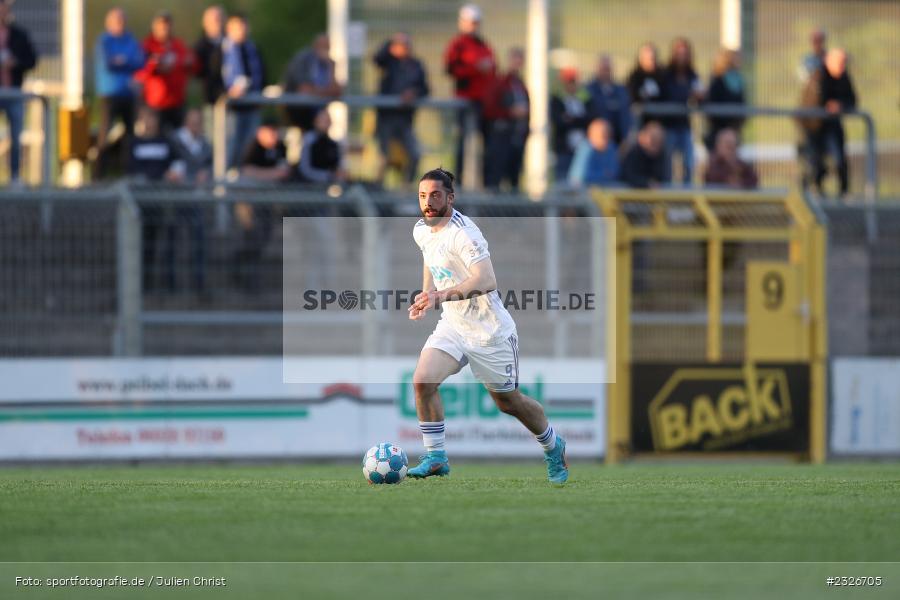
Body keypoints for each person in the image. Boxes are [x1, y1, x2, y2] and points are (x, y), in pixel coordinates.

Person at [406, 167, 569, 484]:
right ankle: (436, 456)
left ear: (450, 198)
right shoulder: (421, 229)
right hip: (453, 325)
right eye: (423, 196)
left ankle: (552, 445)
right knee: (422, 381)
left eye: (435, 195)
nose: (428, 202)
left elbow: (487, 279)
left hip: (489, 331)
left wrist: (440, 295)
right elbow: (429, 254)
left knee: (509, 402)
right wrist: (427, 293)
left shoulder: (464, 233)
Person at [127, 107, 180, 292]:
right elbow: (133, 170)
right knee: (142, 243)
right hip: (142, 200)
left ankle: (168, 284)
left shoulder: (166, 142)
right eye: (145, 118)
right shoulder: (134, 143)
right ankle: (143, 283)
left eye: (152, 118)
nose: (149, 122)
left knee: (165, 240)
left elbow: (175, 164)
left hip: (161, 200)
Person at [443, 4, 496, 183]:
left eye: (476, 22)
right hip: (465, 102)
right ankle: (456, 182)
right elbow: (451, 68)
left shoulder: (483, 44)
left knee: (486, 146)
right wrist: (475, 68)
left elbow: (493, 68)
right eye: (470, 22)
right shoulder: (458, 45)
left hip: (483, 103)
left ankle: (484, 183)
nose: (473, 26)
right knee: (463, 145)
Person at [93, 7, 144, 179]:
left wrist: (122, 61)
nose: (120, 24)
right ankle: (99, 177)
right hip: (110, 94)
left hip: (128, 94)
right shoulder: (104, 41)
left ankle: (128, 175)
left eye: (122, 20)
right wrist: (126, 62)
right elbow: (109, 64)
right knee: (105, 134)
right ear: (109, 23)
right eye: (116, 21)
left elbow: (139, 62)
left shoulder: (130, 40)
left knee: (130, 136)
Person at [373, 32, 429, 183]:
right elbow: (377, 58)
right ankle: (379, 191)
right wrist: (390, 41)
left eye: (406, 44)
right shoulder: (389, 63)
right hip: (386, 120)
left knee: (414, 155)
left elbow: (425, 88)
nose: (403, 48)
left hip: (405, 120)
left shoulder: (416, 65)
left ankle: (405, 190)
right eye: (399, 44)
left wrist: (414, 92)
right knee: (385, 157)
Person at [803, 48, 857, 198]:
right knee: (815, 161)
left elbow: (852, 99)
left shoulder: (843, 77)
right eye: (840, 63)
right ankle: (815, 192)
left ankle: (843, 192)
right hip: (814, 126)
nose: (842, 67)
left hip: (832, 125)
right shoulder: (818, 76)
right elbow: (811, 103)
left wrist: (840, 105)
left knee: (839, 159)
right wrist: (826, 106)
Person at [167, 109, 210, 293]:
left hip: (195, 197)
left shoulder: (206, 145)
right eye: (192, 122)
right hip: (175, 197)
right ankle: (170, 282)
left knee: (198, 240)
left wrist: (206, 175)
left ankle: (198, 282)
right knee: (172, 241)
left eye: (198, 122)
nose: (195, 126)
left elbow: (208, 168)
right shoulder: (173, 141)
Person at [134, 11, 195, 131]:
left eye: (167, 25)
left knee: (178, 138)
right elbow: (139, 73)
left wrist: (184, 63)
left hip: (177, 102)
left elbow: (191, 63)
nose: (164, 29)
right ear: (154, 27)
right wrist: (155, 65)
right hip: (156, 103)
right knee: (158, 137)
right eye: (161, 26)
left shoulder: (178, 45)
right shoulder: (147, 46)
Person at [221, 13, 265, 168]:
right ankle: (222, 183)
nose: (242, 30)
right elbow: (215, 79)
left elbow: (261, 74)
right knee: (228, 146)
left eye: (244, 26)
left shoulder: (253, 49)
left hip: (252, 106)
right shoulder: (222, 51)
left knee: (247, 147)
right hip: (229, 109)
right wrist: (227, 93)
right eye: (238, 26)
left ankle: (237, 178)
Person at [0, 0, 37, 185]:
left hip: (14, 92)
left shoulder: (19, 35)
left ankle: (15, 176)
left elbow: (31, 60)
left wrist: (15, 63)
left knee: (16, 136)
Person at [482, 47, 529, 192]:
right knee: (495, 177)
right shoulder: (500, 83)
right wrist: (510, 112)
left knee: (514, 178)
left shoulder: (520, 85)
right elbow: (489, 109)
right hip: (501, 138)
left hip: (516, 138)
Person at [661, 37, 703, 184]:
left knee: (688, 163)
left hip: (684, 125)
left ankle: (687, 195)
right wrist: (687, 94)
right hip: (668, 126)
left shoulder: (692, 75)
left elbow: (700, 96)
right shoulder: (666, 74)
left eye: (685, 53)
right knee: (667, 164)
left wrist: (699, 97)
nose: (682, 57)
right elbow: (669, 95)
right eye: (679, 53)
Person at [282, 34, 341, 130]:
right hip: (299, 111)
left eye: (327, 47)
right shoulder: (303, 59)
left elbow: (337, 92)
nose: (326, 50)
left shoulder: (328, 63)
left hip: (317, 111)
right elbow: (304, 89)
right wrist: (327, 92)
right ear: (315, 46)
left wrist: (331, 68)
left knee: (325, 123)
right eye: (323, 46)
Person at [550, 67, 590, 181]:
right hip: (564, 148)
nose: (571, 85)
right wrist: (577, 120)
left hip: (582, 147)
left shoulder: (585, 97)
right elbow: (559, 122)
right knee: (562, 179)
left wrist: (571, 119)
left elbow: (589, 119)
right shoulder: (557, 99)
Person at [704, 48, 745, 151]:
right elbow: (713, 103)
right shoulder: (717, 80)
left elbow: (741, 102)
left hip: (733, 128)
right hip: (719, 128)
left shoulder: (737, 79)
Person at [585, 54, 632, 146]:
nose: (605, 72)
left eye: (608, 69)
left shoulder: (621, 90)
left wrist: (625, 138)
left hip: (617, 141)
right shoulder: (588, 90)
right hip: (595, 142)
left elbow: (625, 115)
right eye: (603, 69)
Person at [296, 108, 345, 184]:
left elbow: (338, 168)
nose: (326, 123)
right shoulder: (309, 141)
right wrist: (328, 176)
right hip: (309, 187)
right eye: (323, 120)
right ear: (316, 121)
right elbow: (305, 169)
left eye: (328, 120)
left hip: (329, 187)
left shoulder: (333, 144)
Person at [568, 118, 619, 188]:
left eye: (608, 135)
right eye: (602, 136)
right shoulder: (586, 149)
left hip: (606, 188)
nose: (606, 138)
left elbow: (615, 172)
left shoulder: (611, 148)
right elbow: (580, 176)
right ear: (591, 135)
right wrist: (604, 174)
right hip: (583, 191)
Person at [193, 5, 226, 108]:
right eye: (213, 20)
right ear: (205, 23)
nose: (216, 23)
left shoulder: (231, 44)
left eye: (219, 19)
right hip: (209, 99)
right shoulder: (199, 46)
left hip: (230, 99)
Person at [240, 118, 291, 182]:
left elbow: (284, 172)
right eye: (271, 131)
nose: (274, 134)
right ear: (260, 132)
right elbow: (247, 171)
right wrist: (272, 173)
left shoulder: (281, 146)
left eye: (275, 130)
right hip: (256, 185)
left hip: (275, 186)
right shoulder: (254, 147)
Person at [619, 120, 667, 188]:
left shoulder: (661, 155)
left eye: (660, 139)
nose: (656, 142)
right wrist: (646, 183)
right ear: (642, 137)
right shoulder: (633, 154)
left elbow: (661, 178)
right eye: (653, 138)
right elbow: (629, 176)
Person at [626, 42, 664, 126]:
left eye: (653, 58)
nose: (651, 61)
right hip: (640, 122)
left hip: (660, 122)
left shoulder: (663, 75)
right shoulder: (634, 77)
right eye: (649, 58)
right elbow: (631, 96)